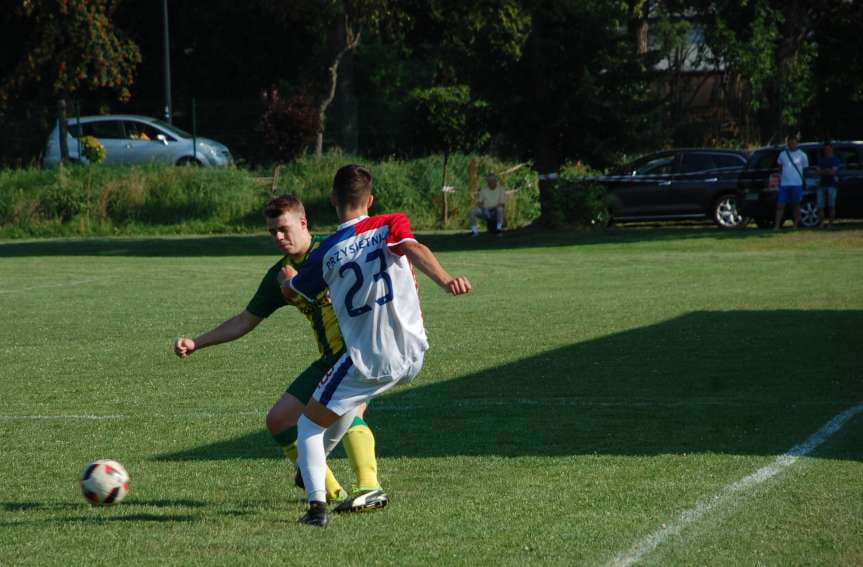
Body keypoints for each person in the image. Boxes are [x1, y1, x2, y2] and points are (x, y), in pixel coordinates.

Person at [280, 164, 472, 527]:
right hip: (414, 352)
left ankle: (316, 508)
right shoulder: (389, 223)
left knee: (307, 425)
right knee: (344, 408)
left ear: (334, 199)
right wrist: (445, 280)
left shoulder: (326, 251)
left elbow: (297, 291)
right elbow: (413, 248)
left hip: (368, 358)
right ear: (370, 199)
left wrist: (288, 282)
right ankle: (347, 476)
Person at [173, 195, 387, 512]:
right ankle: (332, 491)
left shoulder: (333, 252)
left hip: (358, 353)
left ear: (303, 223)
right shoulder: (280, 274)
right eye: (272, 232)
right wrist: (197, 342)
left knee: (351, 410)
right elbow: (245, 320)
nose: (279, 237)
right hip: (329, 358)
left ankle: (369, 487)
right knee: (278, 421)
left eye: (284, 229)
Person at [774, 134, 809, 229]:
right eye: (790, 143)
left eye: (794, 143)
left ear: (797, 143)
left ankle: (795, 225)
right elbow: (780, 168)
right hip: (784, 184)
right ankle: (777, 226)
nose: (792, 145)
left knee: (796, 205)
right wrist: (780, 179)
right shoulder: (782, 154)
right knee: (780, 205)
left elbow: (805, 170)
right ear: (787, 144)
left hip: (797, 184)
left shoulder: (802, 155)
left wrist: (804, 181)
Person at [816, 142, 841, 228]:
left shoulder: (836, 160)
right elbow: (818, 172)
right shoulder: (821, 160)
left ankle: (830, 224)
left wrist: (824, 171)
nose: (827, 150)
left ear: (832, 149)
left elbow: (833, 172)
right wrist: (827, 171)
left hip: (832, 185)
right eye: (825, 149)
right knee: (820, 206)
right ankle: (822, 223)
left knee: (831, 205)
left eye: (828, 148)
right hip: (821, 185)